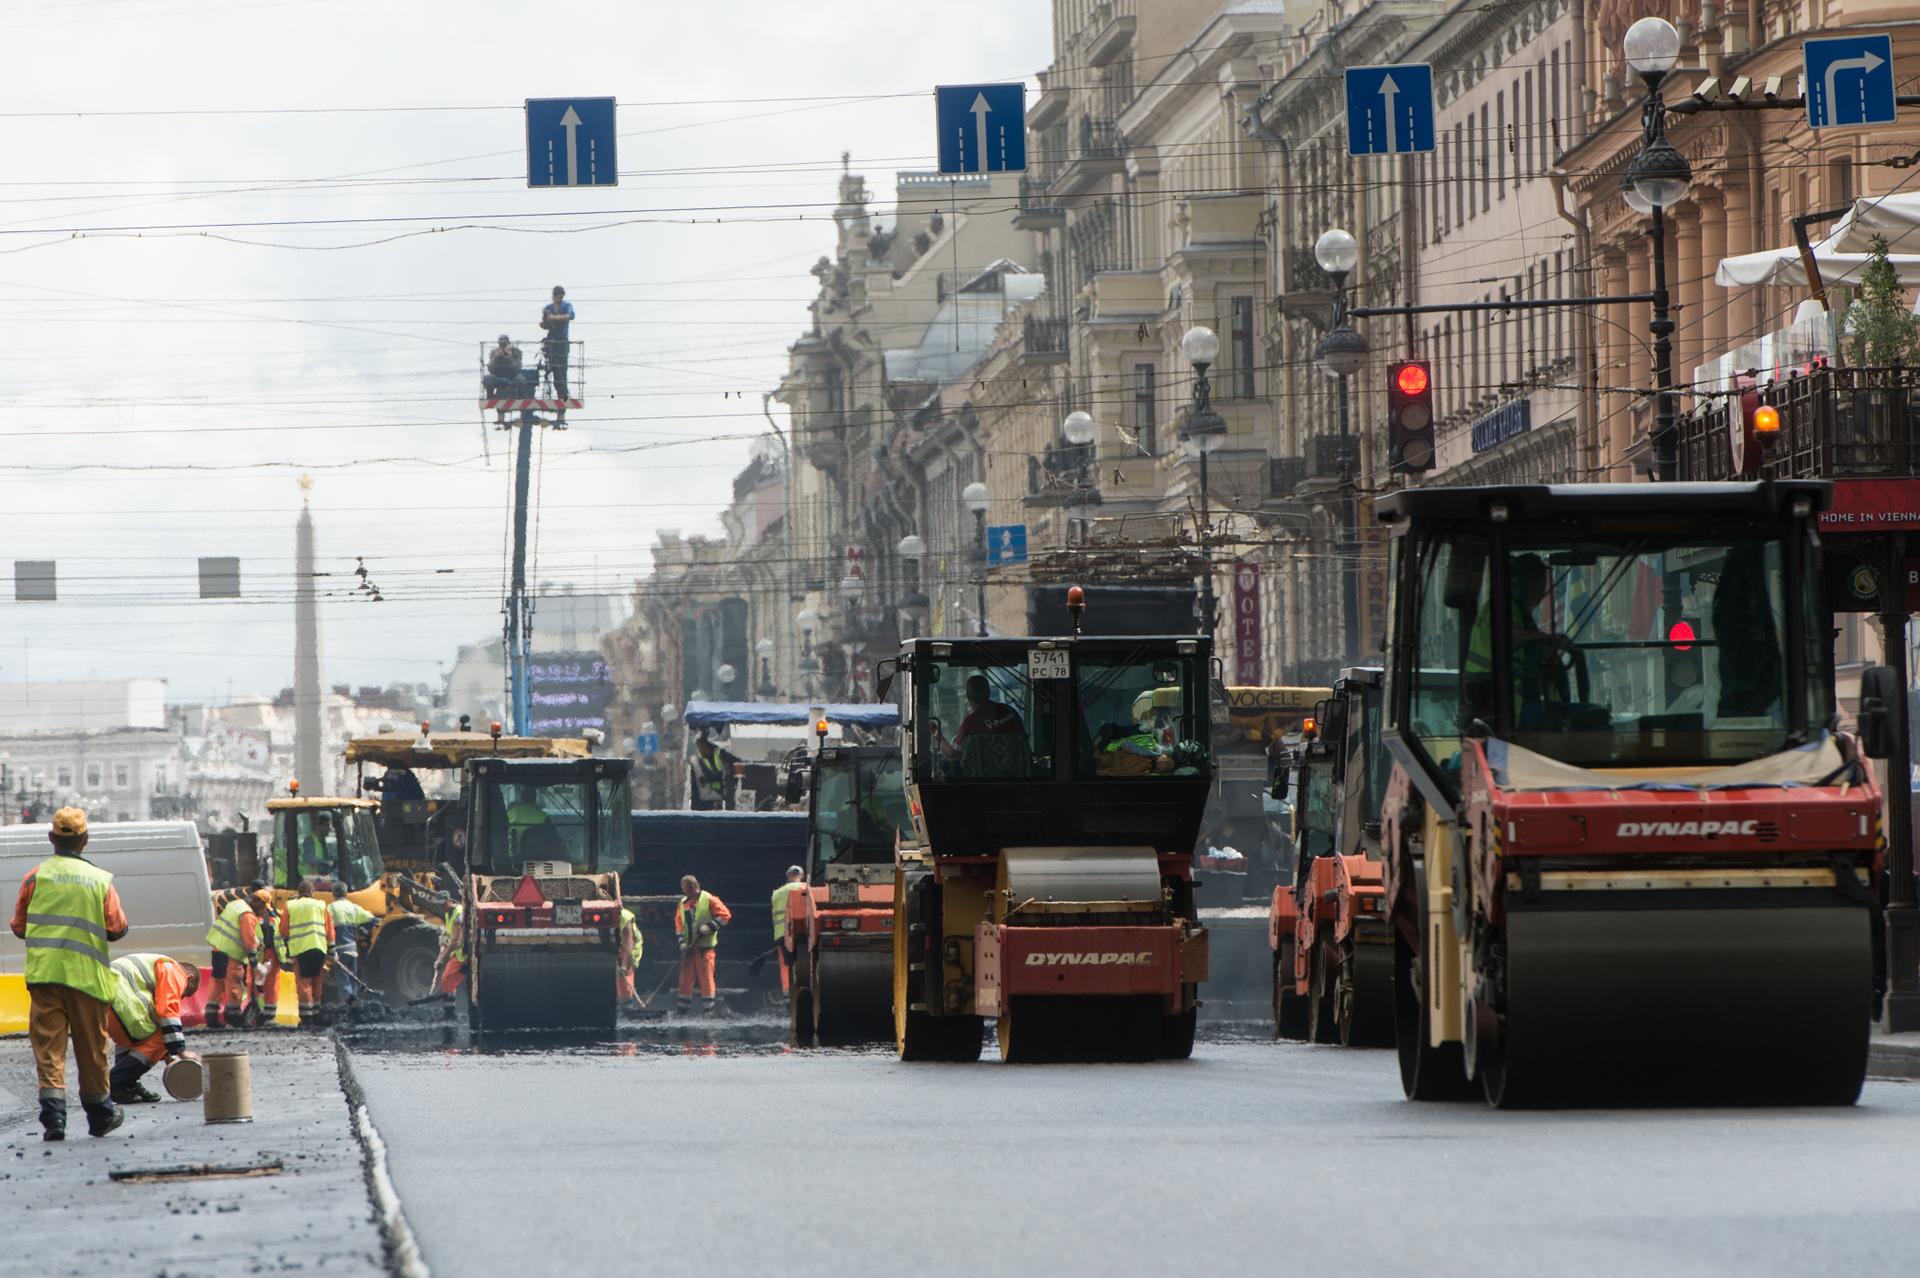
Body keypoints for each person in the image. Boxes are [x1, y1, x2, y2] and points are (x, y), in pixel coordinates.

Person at [10, 807, 128, 1140]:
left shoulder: (35, 878)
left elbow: (19, 927)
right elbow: (117, 928)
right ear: (85, 840)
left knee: (49, 1048)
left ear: (51, 839)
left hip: (45, 977)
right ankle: (100, 1113)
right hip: (87, 979)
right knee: (92, 1049)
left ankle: (54, 1117)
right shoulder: (100, 880)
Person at [1465, 553, 1568, 727]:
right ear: (1523, 582)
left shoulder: (1517, 609)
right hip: (1501, 702)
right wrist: (1548, 639)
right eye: (1539, 581)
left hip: (1514, 701)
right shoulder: (1502, 605)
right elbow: (1507, 633)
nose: (1543, 588)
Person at [106, 952, 198, 1105]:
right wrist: (181, 1051)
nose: (181, 997)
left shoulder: (153, 964)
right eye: (185, 993)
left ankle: (126, 1086)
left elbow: (149, 1041)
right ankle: (115, 1082)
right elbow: (167, 1010)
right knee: (164, 1036)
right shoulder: (174, 970)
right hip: (119, 1003)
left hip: (106, 1003)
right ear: (189, 977)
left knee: (136, 1041)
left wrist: (168, 1057)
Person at [205, 886, 269, 1029]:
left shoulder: (236, 905)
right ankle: (234, 1016)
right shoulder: (247, 914)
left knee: (218, 983)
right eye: (264, 906)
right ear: (258, 902)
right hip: (231, 953)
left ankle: (211, 1016)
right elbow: (248, 938)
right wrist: (253, 956)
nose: (264, 910)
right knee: (234, 983)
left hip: (217, 949)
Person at [937, 675, 1027, 776]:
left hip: (979, 784)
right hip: (1017, 780)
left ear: (967, 696)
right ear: (988, 692)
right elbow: (1024, 742)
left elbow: (952, 753)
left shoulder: (970, 722)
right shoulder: (1010, 711)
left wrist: (936, 732)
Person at [673, 875, 732, 1015]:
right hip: (688, 950)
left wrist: (710, 927)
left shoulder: (710, 899)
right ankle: (682, 1009)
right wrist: (681, 942)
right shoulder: (682, 903)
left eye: (685, 889)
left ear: (692, 888)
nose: (683, 892)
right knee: (685, 979)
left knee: (706, 979)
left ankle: (709, 1010)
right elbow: (679, 924)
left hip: (704, 950)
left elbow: (725, 916)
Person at [284, 881, 335, 1025]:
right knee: (317, 980)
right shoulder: (321, 905)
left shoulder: (291, 906)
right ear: (312, 892)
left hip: (300, 950)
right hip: (319, 949)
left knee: (304, 982)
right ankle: (317, 1013)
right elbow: (329, 930)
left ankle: (307, 1017)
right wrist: (331, 950)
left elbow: (283, 930)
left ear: (299, 892)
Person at [329, 892, 378, 1008]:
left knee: (343, 980)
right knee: (353, 978)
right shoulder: (354, 907)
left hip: (339, 950)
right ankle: (355, 1006)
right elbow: (373, 920)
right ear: (345, 894)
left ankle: (347, 1006)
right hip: (353, 949)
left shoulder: (330, 909)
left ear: (334, 895)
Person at [770, 865, 808, 995]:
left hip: (782, 934)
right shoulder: (807, 889)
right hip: (804, 931)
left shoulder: (777, 893)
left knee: (787, 965)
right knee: (805, 962)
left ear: (788, 876)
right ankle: (805, 990)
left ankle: (788, 994)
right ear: (801, 876)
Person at [540, 285, 575, 422]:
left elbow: (570, 316)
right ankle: (561, 396)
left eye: (560, 294)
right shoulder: (548, 307)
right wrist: (548, 319)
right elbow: (545, 324)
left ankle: (563, 398)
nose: (558, 297)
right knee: (554, 370)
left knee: (562, 371)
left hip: (562, 341)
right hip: (551, 341)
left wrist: (554, 318)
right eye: (556, 294)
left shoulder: (567, 305)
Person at [1094, 723, 1174, 777]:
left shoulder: (1145, 766)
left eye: (1159, 767)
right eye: (1164, 761)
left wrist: (1116, 752)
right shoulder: (1147, 755)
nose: (1158, 764)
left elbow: (1117, 771)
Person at [482, 334, 525, 422]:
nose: (503, 345)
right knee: (487, 379)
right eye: (501, 343)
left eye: (505, 343)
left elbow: (517, 369)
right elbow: (490, 368)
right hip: (498, 377)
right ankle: (490, 396)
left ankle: (520, 397)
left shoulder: (516, 352)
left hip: (512, 377)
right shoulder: (494, 352)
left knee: (521, 379)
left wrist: (509, 357)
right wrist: (496, 357)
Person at [689, 732, 738, 811]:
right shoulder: (699, 759)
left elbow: (737, 763)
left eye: (702, 747)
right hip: (707, 796)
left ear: (708, 746)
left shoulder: (720, 753)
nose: (700, 750)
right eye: (698, 747)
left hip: (722, 794)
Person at [504, 786, 552, 860]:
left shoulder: (509, 814)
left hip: (510, 858)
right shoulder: (543, 816)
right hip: (537, 858)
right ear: (534, 799)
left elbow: (501, 834)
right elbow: (552, 840)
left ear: (522, 798)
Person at [434, 903, 466, 997]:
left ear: (447, 902)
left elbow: (455, 941)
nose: (439, 908)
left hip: (463, 955)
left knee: (447, 979)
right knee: (447, 980)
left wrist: (442, 959)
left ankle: (449, 1006)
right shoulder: (448, 913)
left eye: (441, 905)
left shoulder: (459, 913)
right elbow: (449, 934)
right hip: (457, 954)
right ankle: (449, 1002)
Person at [616, 906, 642, 1003]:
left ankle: (626, 1004)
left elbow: (629, 944)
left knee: (624, 974)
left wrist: (623, 966)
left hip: (630, 950)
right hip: (619, 947)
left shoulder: (625, 918)